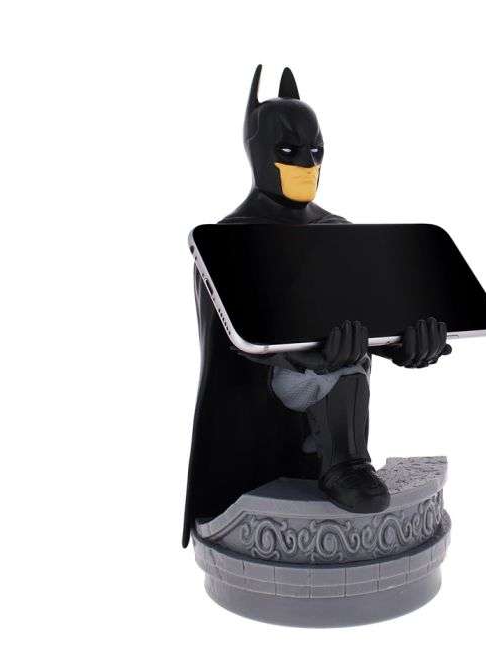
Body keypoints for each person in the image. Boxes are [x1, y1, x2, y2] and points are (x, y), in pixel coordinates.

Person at [182, 66, 451, 546]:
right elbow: (234, 340)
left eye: (315, 151)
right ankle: (344, 464)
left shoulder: (335, 230)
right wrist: (308, 357)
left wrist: (404, 343)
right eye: (290, 151)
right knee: (339, 368)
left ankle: (347, 461)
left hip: (332, 388)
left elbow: (370, 316)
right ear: (259, 152)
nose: (306, 162)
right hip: (266, 404)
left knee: (347, 366)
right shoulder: (229, 242)